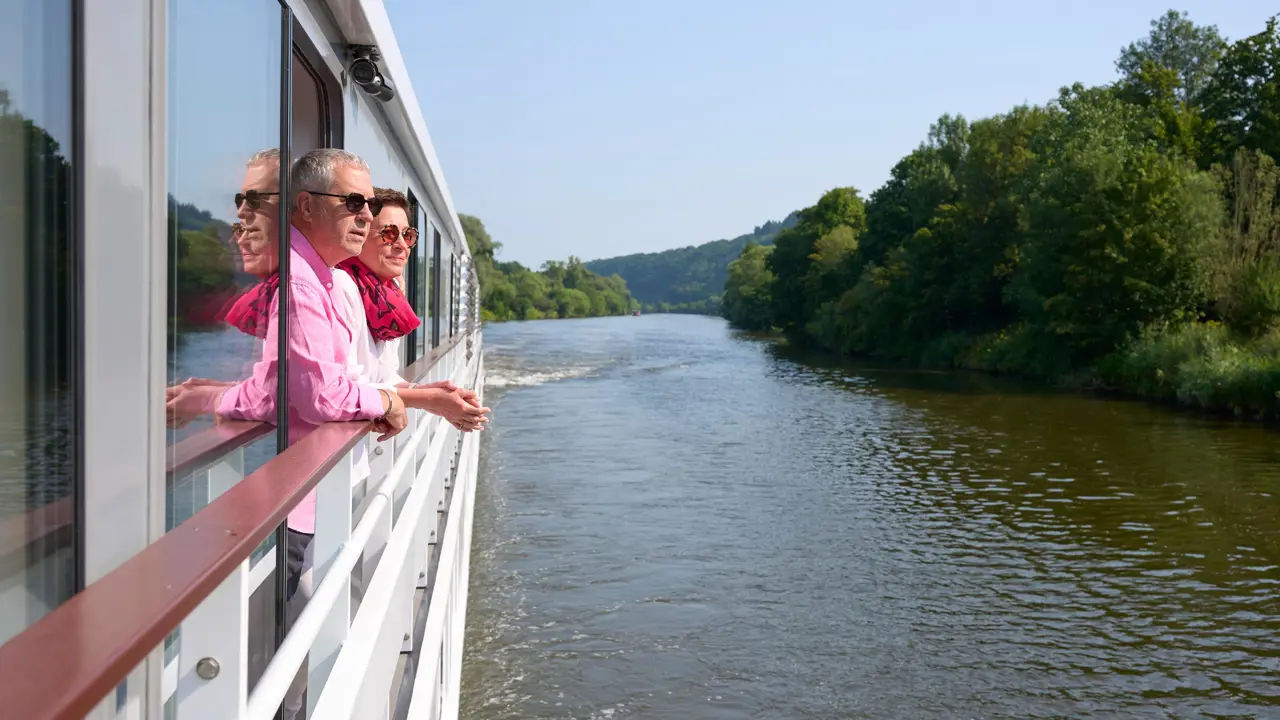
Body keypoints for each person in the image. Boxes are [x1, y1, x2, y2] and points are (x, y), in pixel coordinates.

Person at [335, 186, 489, 432]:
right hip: (331, 458)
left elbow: (383, 379)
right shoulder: (340, 286)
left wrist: (425, 393)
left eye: (407, 235)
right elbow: (344, 388)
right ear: (360, 233)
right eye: (388, 233)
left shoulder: (386, 295)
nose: (401, 245)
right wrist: (430, 400)